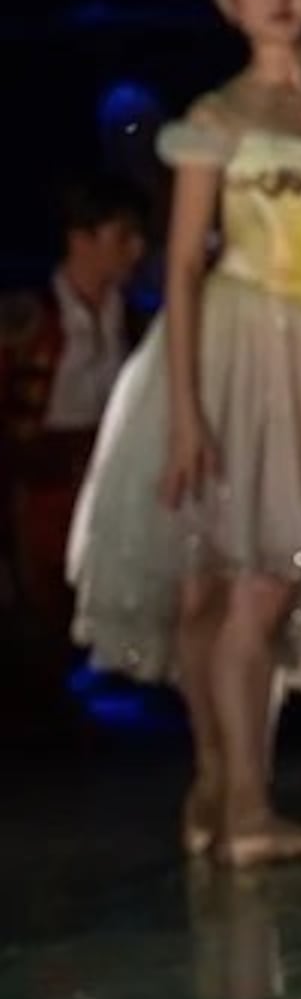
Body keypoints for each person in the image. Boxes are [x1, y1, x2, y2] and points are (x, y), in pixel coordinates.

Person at [68, 0, 301, 865]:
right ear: (227, 2)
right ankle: (239, 799)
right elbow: (182, 268)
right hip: (233, 345)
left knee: (262, 584)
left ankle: (230, 794)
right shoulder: (217, 120)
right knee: (223, 587)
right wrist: (187, 411)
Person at [5, 181, 147, 715]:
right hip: (44, 485)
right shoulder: (30, 319)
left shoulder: (131, 319)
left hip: (112, 480)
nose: (135, 250)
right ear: (81, 239)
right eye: (122, 236)